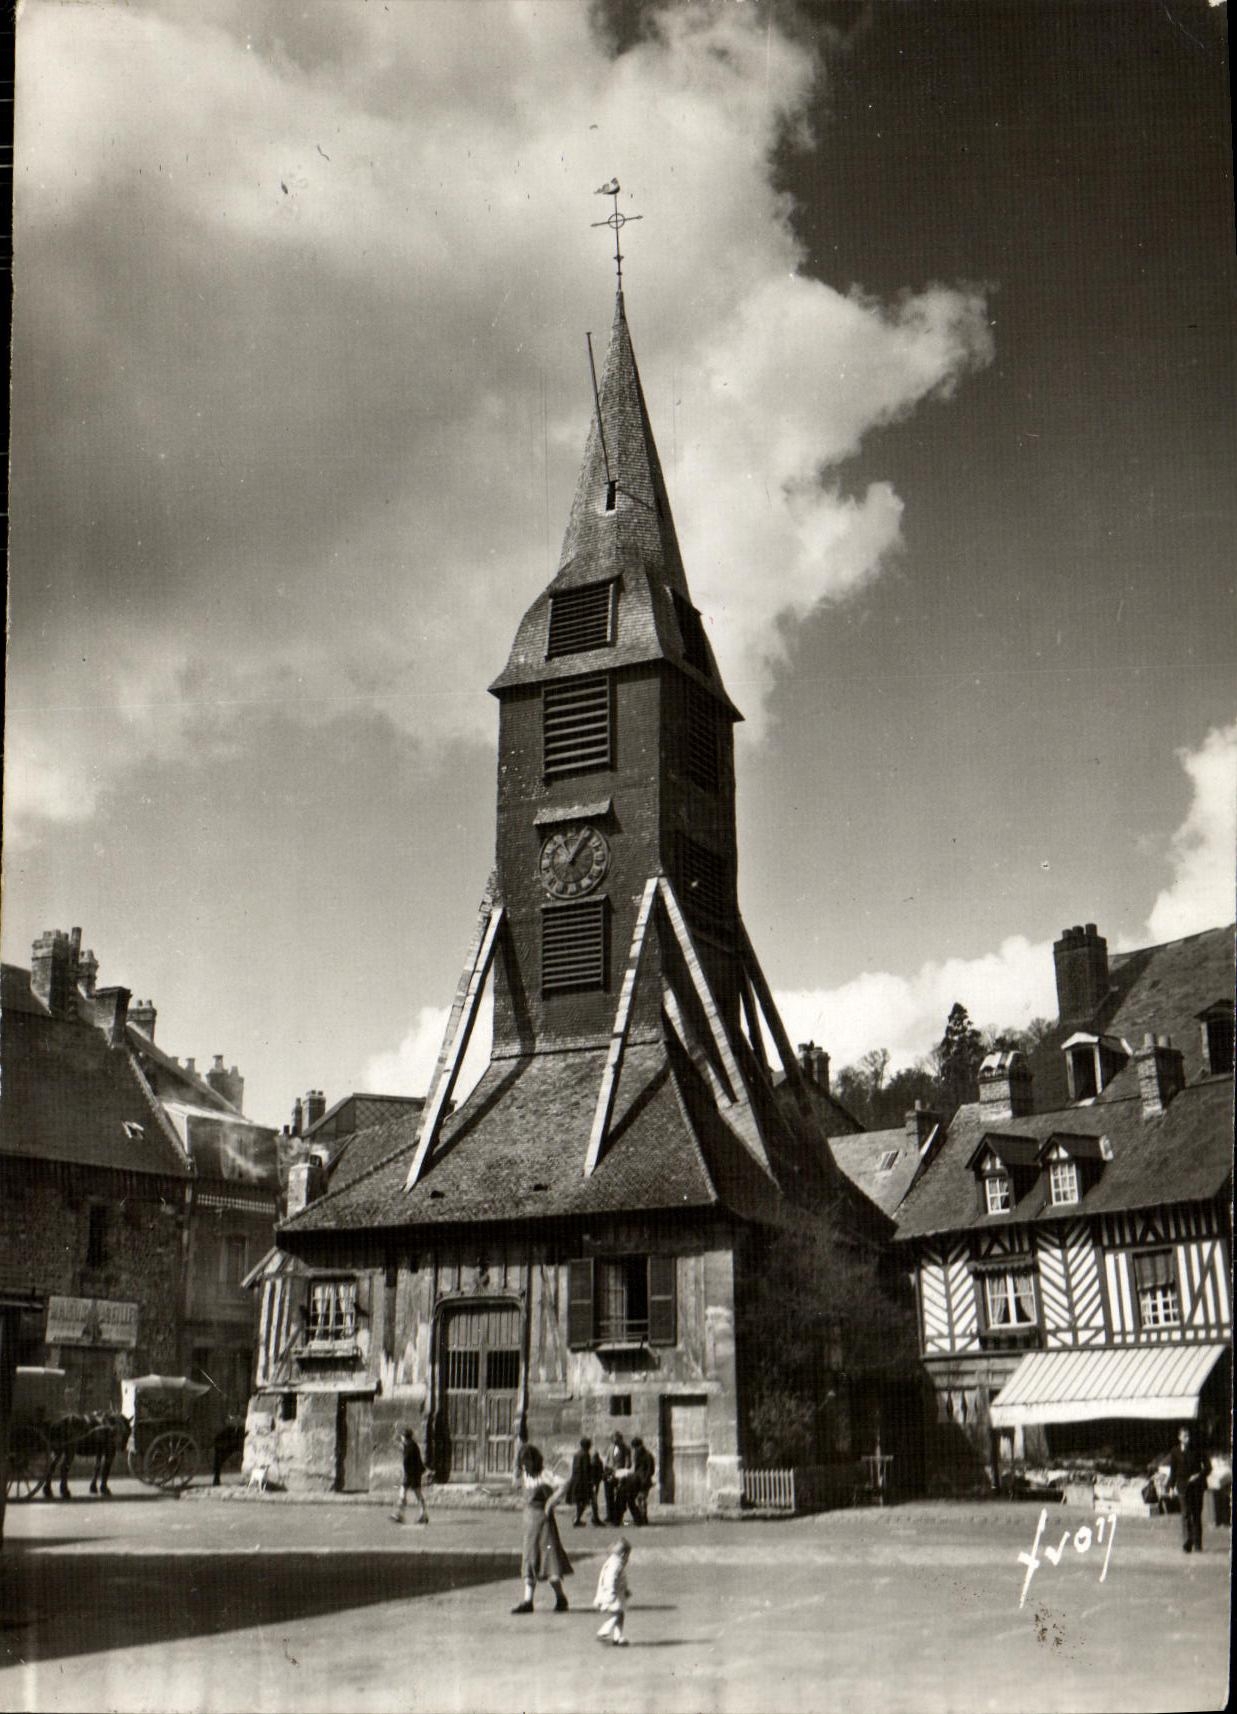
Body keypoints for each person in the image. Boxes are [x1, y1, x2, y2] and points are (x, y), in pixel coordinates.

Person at [512, 1444, 573, 1613]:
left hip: (544, 1522)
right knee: (530, 1559)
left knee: (549, 1559)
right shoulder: (525, 1475)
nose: (523, 1466)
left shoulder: (544, 1475)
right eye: (522, 1462)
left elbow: (565, 1483)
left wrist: (551, 1502)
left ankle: (561, 1598)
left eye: (525, 1462)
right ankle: (528, 1601)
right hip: (529, 1523)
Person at [1166, 1425, 1211, 1553]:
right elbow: (1173, 1471)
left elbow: (1208, 1467)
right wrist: (1170, 1487)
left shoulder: (1198, 1449)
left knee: (1196, 1515)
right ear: (1179, 1437)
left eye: (1189, 1436)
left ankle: (1197, 1544)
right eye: (1185, 1436)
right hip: (1182, 1486)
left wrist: (1198, 1475)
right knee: (1185, 1514)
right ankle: (1187, 1542)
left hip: (1197, 1487)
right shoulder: (1175, 1451)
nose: (1188, 1438)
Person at [593, 1537, 632, 1647]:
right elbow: (610, 1579)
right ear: (623, 1555)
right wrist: (611, 1592)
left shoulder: (612, 1562)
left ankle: (618, 1637)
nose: (628, 1559)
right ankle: (604, 1631)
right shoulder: (616, 1565)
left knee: (620, 1614)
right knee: (618, 1615)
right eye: (628, 1556)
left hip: (616, 1593)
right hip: (613, 1595)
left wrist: (625, 1590)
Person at [391, 1425, 429, 1525]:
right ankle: (422, 1515)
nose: (402, 1439)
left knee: (405, 1494)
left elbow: (407, 1462)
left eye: (403, 1437)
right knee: (415, 1494)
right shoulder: (412, 1445)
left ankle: (401, 1515)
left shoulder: (410, 1447)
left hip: (411, 1475)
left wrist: (405, 1475)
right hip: (414, 1474)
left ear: (405, 1437)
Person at [569, 1437, 601, 1527]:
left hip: (576, 1481)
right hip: (584, 1482)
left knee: (582, 1502)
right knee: (591, 1501)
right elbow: (586, 1470)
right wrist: (591, 1481)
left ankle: (578, 1519)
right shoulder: (585, 1455)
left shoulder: (577, 1454)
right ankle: (594, 1519)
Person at [628, 1436, 656, 1526]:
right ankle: (642, 1517)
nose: (635, 1449)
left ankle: (643, 1517)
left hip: (644, 1480)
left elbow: (650, 1469)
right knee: (640, 1499)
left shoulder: (647, 1455)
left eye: (636, 1447)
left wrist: (645, 1478)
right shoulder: (638, 1454)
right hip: (638, 1480)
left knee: (642, 1498)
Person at [604, 1431, 630, 1524]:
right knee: (609, 1495)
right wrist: (607, 1469)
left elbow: (627, 1462)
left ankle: (617, 1516)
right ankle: (609, 1515)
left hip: (620, 1473)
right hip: (610, 1473)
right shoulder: (610, 1447)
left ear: (620, 1439)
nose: (615, 1442)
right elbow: (607, 1459)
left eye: (617, 1440)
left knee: (619, 1496)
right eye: (614, 1440)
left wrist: (624, 1473)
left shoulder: (625, 1448)